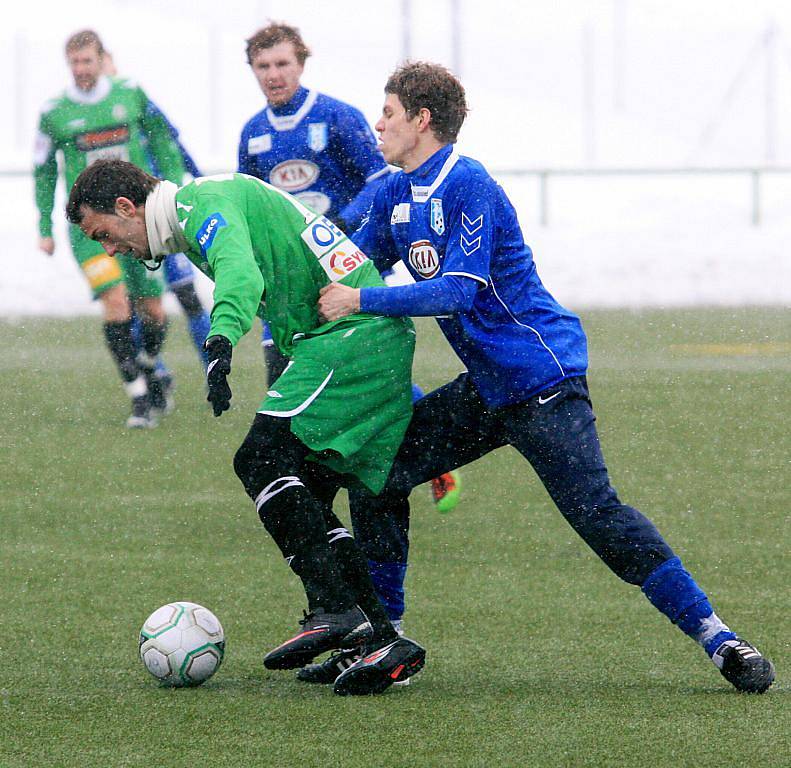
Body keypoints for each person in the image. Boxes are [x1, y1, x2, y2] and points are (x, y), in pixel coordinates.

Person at [316, 61, 775, 694]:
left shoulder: (468, 184)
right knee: (378, 472)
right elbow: (350, 260)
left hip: (542, 382)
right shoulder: (396, 193)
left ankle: (718, 637)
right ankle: (384, 638)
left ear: (422, 121)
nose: (378, 124)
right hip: (487, 390)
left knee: (600, 519)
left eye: (388, 112)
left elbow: (460, 290)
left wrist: (360, 302)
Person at [65, 158, 426, 696]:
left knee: (257, 460)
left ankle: (335, 608)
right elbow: (276, 281)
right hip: (342, 341)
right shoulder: (195, 215)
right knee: (306, 489)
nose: (111, 250)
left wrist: (220, 339)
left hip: (356, 336)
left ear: (126, 208)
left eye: (105, 235)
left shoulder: (198, 206)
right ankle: (376, 637)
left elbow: (242, 273)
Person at [238, 21, 462, 635]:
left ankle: (357, 607)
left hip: (341, 280)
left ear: (300, 63)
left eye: (282, 63)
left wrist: (335, 235)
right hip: (293, 301)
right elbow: (251, 211)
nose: (274, 75)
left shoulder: (337, 119)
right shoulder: (253, 136)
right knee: (302, 453)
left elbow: (381, 183)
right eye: (263, 67)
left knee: (332, 440)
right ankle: (336, 602)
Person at [34, 30, 182, 427]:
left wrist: (174, 187)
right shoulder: (55, 113)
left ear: (102, 60)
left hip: (138, 222)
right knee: (115, 300)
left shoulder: (130, 94)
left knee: (153, 309)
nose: (81, 70)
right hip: (90, 230)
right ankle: (137, 395)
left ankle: (149, 366)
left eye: (87, 61)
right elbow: (44, 171)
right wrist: (44, 224)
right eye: (74, 63)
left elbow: (163, 138)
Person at [101, 50, 211, 370]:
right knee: (139, 304)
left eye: (109, 72)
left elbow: (176, 147)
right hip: (130, 225)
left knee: (187, 296)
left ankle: (211, 367)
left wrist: (202, 183)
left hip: (162, 217)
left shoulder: (138, 108)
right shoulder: (99, 128)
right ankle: (154, 374)